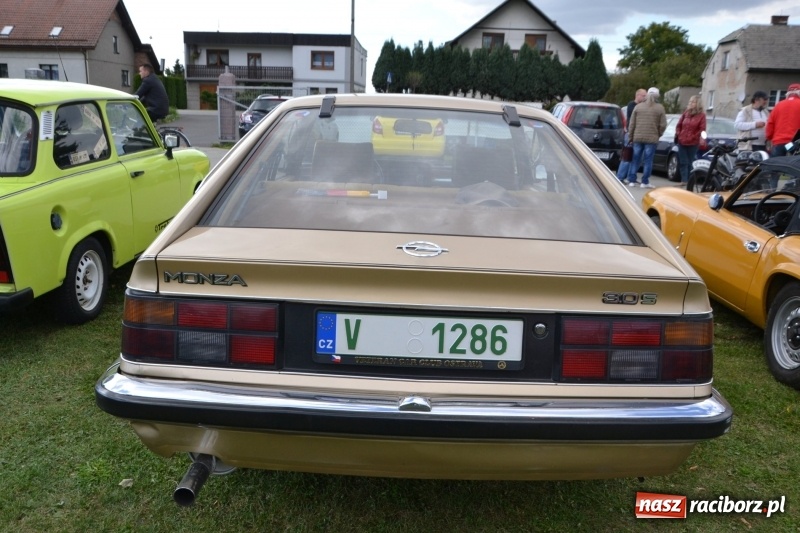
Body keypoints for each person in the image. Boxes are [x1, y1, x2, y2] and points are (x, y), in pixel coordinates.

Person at [625, 87, 667, 188]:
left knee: (635, 159)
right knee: (648, 160)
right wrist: (658, 134)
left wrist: (631, 136)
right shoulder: (660, 108)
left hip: (637, 137)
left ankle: (632, 180)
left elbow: (632, 123)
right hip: (651, 138)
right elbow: (663, 125)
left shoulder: (638, 107)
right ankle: (645, 181)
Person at [616, 88, 646, 181]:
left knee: (637, 157)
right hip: (630, 134)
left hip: (638, 134)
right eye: (644, 96)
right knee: (627, 157)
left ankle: (631, 176)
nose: (645, 98)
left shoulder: (641, 106)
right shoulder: (632, 105)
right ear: (638, 96)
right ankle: (620, 177)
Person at [675, 95, 706, 184]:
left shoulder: (701, 115)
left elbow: (702, 129)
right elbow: (679, 125)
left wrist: (694, 137)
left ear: (698, 104)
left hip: (693, 142)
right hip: (682, 141)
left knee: (690, 162)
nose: (691, 103)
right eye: (690, 102)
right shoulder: (686, 113)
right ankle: (684, 180)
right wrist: (679, 134)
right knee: (683, 161)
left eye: (693, 102)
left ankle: (689, 180)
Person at [766, 83, 800, 157]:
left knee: (776, 166)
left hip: (778, 143)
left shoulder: (778, 105)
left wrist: (769, 137)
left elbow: (770, 123)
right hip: (795, 144)